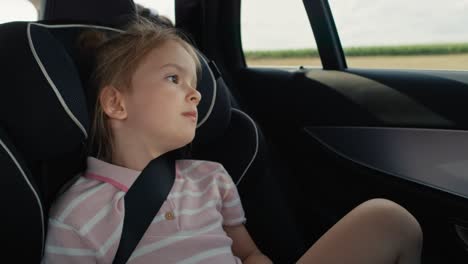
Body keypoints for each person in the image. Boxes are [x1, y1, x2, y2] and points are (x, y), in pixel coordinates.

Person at [43, 18, 423, 264]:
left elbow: (247, 252)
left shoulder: (210, 177)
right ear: (116, 102)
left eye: (195, 84)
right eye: (174, 79)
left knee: (388, 219)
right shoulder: (78, 213)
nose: (195, 94)